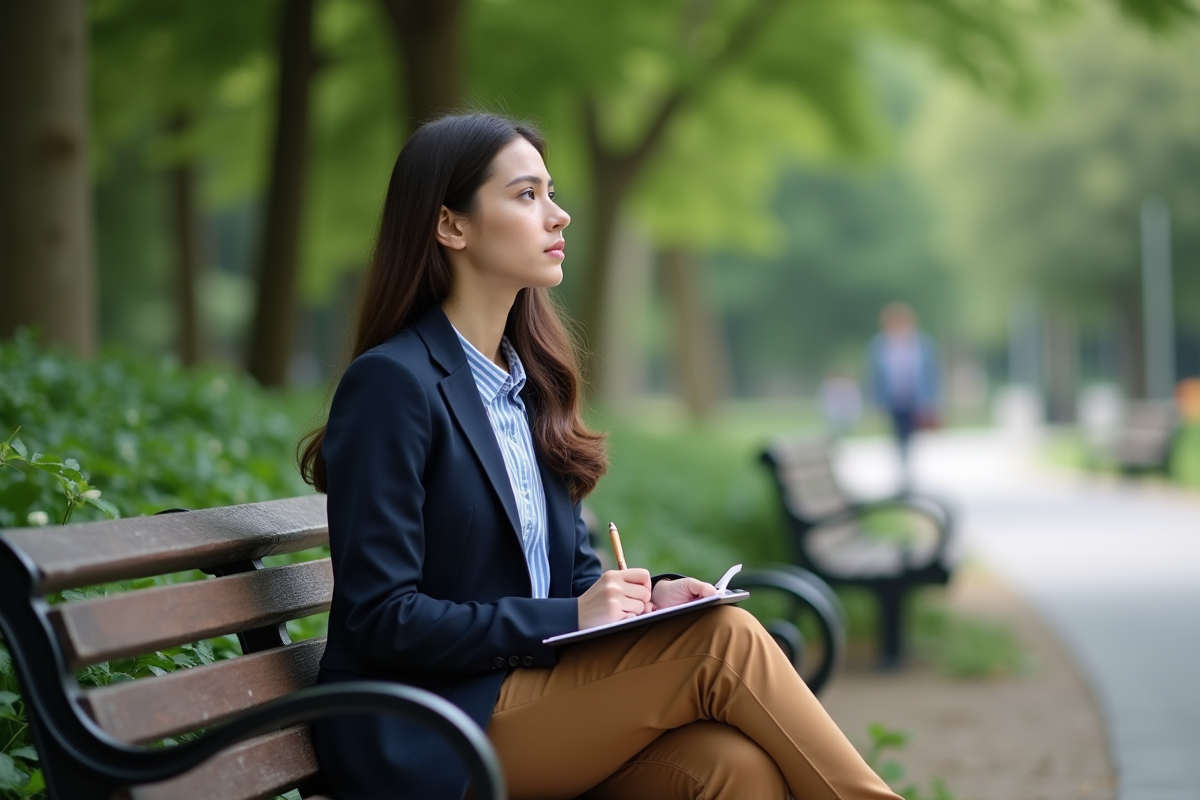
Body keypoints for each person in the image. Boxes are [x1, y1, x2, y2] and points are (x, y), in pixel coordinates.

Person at [298, 112, 903, 800]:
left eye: (551, 193)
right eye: (527, 196)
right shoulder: (393, 385)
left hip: (520, 700)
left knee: (733, 769)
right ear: (452, 226)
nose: (559, 216)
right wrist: (572, 617)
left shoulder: (526, 388)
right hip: (428, 729)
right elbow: (382, 617)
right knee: (723, 640)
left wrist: (650, 602)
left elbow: (575, 574)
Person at [866, 303, 940, 488]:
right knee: (897, 435)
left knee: (911, 435)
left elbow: (931, 374)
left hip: (915, 400)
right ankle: (902, 469)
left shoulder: (922, 344)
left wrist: (931, 401)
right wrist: (875, 402)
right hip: (892, 400)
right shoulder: (879, 346)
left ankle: (907, 469)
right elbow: (874, 377)